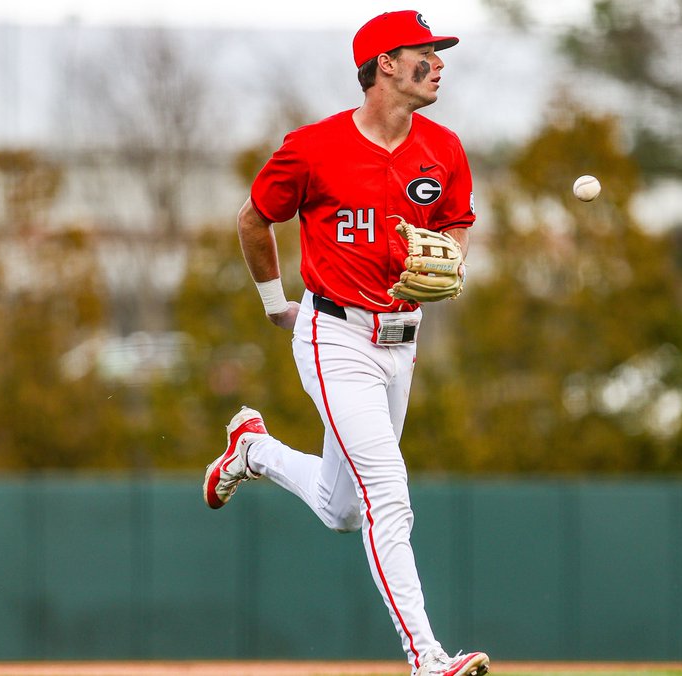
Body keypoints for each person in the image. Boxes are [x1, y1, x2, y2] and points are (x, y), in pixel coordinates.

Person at [202, 10, 489, 676]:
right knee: (388, 492)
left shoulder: (443, 148)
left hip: (401, 340)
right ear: (384, 63)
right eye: (426, 52)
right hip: (334, 334)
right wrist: (277, 305)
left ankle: (252, 450)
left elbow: (456, 227)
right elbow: (253, 218)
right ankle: (426, 658)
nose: (439, 63)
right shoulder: (312, 147)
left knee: (341, 509)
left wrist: (453, 258)